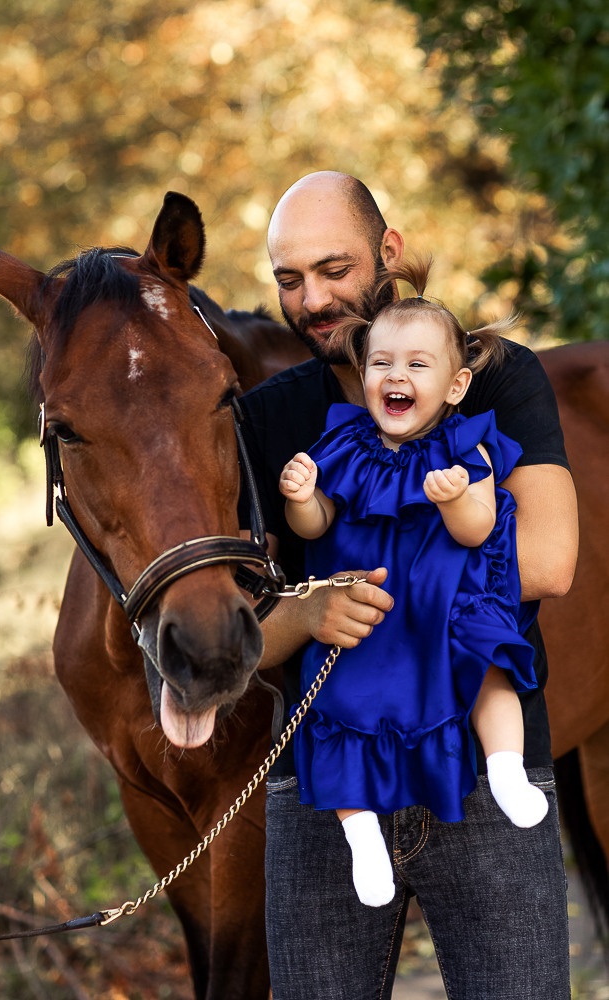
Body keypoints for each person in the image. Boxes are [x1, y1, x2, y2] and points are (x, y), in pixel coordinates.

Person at [238, 171, 578, 999]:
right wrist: (309, 607)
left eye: (333, 269)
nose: (312, 299)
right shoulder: (270, 417)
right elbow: (244, 630)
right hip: (328, 779)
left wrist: (393, 577)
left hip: (482, 767)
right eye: (289, 279)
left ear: (387, 253)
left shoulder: (495, 377)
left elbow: (550, 559)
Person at [278, 256, 548, 909]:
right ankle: (362, 836)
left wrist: (456, 498)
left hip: (443, 606)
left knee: (486, 666)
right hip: (366, 614)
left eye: (416, 366)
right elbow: (315, 530)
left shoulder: (465, 446)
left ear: (454, 386)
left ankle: (506, 769)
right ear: (362, 375)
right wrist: (301, 496)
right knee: (337, 714)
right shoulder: (341, 446)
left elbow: (478, 530)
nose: (395, 376)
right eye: (380, 364)